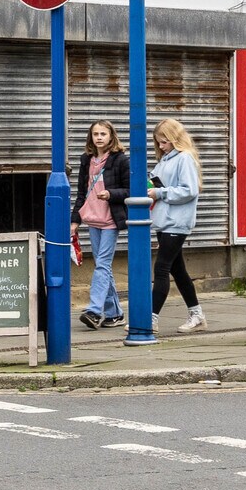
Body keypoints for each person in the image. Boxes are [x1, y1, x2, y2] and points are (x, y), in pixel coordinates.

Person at [142, 117, 204, 333]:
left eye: (164, 141)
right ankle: (196, 315)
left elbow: (190, 190)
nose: (161, 146)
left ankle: (150, 318)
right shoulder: (166, 159)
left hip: (176, 222)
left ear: (175, 139)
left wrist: (159, 192)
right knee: (178, 271)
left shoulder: (184, 158)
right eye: (158, 142)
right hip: (166, 222)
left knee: (161, 268)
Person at [70, 119, 129, 331]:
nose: (99, 138)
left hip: (111, 220)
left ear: (111, 136)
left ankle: (95, 310)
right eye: (95, 134)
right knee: (102, 267)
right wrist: (74, 220)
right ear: (91, 137)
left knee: (102, 264)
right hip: (92, 219)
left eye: (103, 134)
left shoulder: (120, 160)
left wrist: (111, 194)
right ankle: (115, 314)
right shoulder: (87, 160)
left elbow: (131, 190)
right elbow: (80, 193)